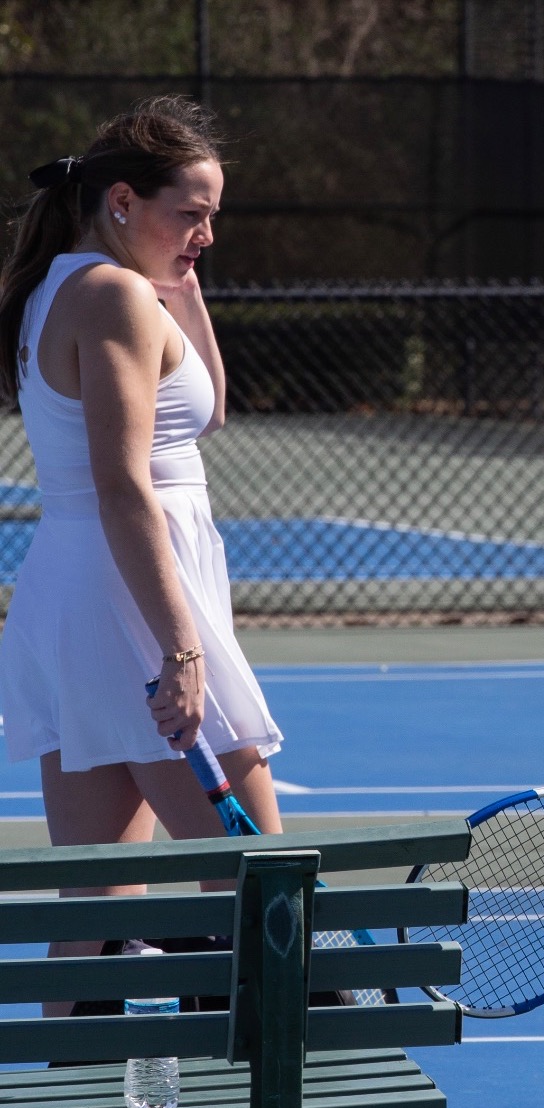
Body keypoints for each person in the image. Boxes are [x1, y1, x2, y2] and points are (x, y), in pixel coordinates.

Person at [0, 96, 284, 986]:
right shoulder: (113, 295)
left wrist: (184, 287)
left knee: (99, 906)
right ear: (122, 201)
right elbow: (127, 488)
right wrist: (181, 648)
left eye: (212, 218)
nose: (205, 235)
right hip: (132, 605)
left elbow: (207, 412)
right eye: (189, 215)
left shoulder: (76, 286)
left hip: (85, 598)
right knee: (260, 888)